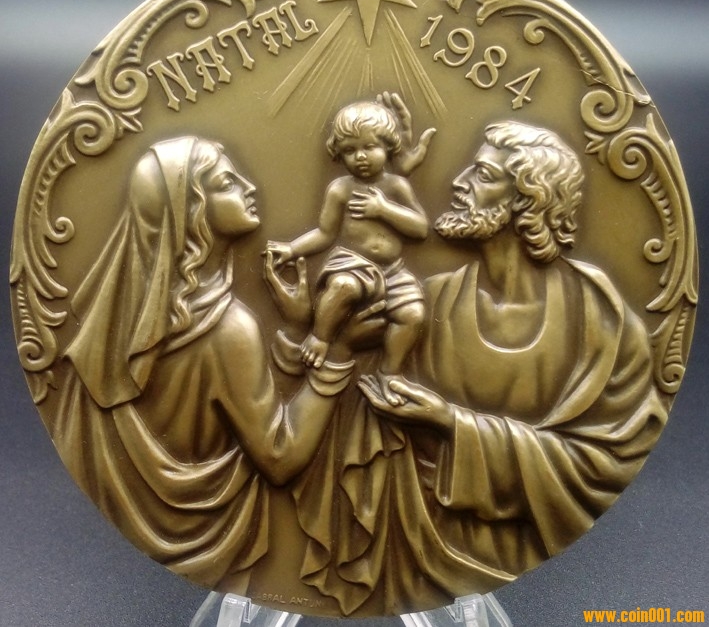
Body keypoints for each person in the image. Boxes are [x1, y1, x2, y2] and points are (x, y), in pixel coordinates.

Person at [347, 120, 670, 613]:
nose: (458, 183)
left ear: (527, 201)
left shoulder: (598, 317)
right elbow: (354, 419)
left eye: (481, 175)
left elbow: (607, 462)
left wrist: (450, 422)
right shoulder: (430, 302)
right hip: (416, 547)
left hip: (516, 545)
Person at [52, 136, 354, 592]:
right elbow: (280, 458)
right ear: (190, 212)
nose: (250, 187)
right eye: (227, 183)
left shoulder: (110, 327)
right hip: (218, 540)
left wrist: (294, 329)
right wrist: (339, 351)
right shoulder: (227, 329)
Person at [266, 99, 428, 391]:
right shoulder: (340, 189)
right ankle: (320, 337)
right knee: (343, 287)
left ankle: (390, 373)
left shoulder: (396, 187)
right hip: (353, 264)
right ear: (339, 153)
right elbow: (324, 233)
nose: (360, 157)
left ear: (388, 146)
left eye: (370, 147)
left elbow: (420, 229)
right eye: (350, 150)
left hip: (393, 271)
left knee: (413, 314)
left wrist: (384, 209)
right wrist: (292, 249)